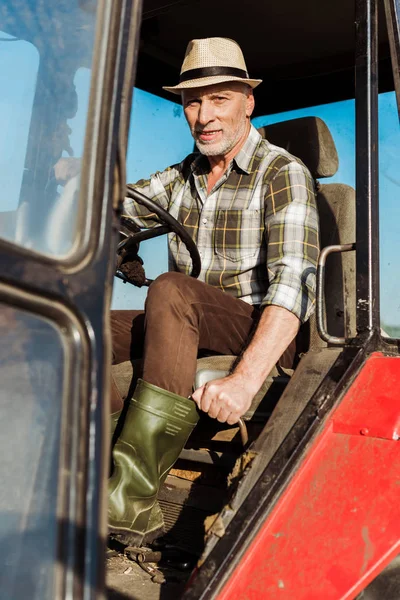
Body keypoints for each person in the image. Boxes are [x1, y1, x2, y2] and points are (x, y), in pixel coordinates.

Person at [108, 37, 319, 546]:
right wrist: (94, 201)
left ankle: (133, 502)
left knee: (173, 290)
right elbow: (118, 213)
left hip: (260, 327)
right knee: (81, 331)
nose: (204, 115)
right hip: (182, 318)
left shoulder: (282, 173)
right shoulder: (183, 176)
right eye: (192, 101)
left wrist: (245, 381)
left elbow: (293, 283)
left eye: (219, 97)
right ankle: (61, 472)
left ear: (248, 101)